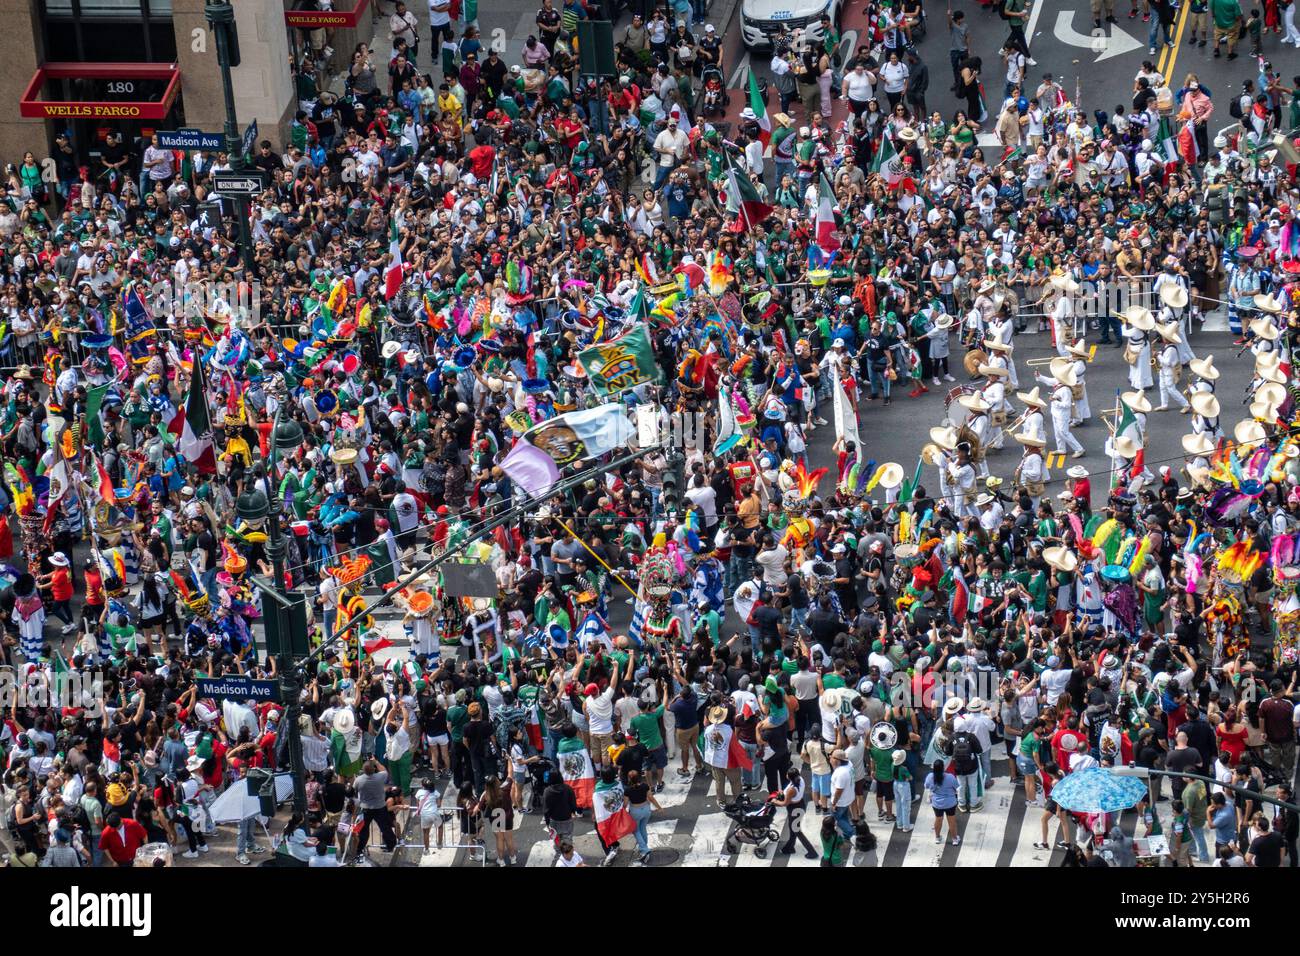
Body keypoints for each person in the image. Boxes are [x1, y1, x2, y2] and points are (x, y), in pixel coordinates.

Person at [924, 758, 961, 846]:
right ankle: (955, 839)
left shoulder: (930, 776)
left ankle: (937, 837)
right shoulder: (950, 777)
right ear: (943, 767)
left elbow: (926, 786)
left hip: (937, 803)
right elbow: (957, 788)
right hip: (950, 803)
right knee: (951, 821)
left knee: (938, 819)